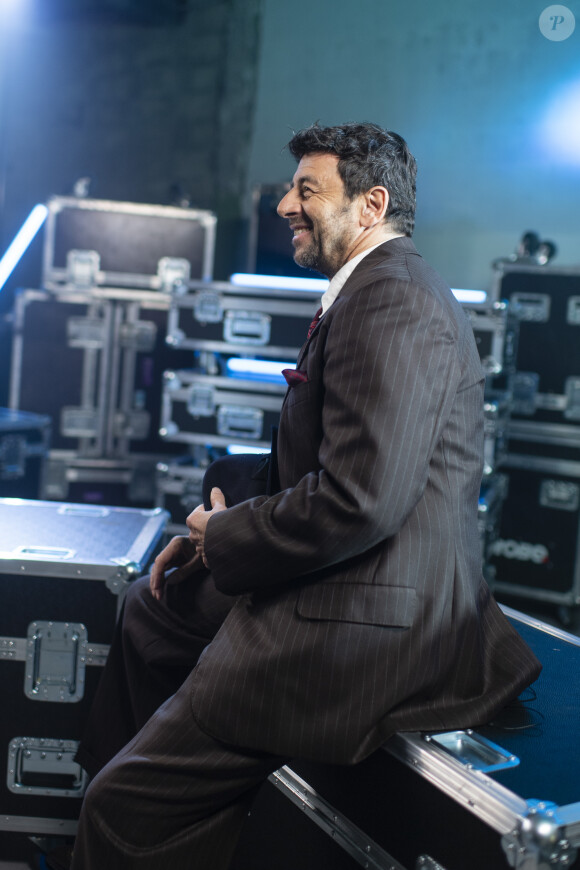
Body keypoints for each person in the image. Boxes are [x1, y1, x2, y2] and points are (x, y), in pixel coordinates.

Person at [68, 122, 541, 869]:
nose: (285, 203)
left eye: (306, 190)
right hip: (352, 580)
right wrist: (211, 529)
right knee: (151, 613)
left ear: (370, 204)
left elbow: (361, 498)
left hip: (372, 622)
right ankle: (156, 784)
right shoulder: (368, 290)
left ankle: (134, 812)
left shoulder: (393, 303)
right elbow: (329, 458)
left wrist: (228, 539)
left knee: (122, 812)